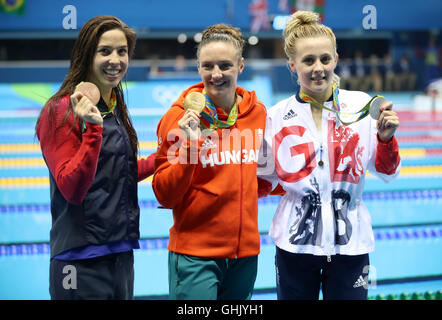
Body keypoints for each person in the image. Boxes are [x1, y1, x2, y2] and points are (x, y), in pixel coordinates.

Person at [257, 11, 401, 300]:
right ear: (292, 65)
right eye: (308, 61)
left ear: (335, 59)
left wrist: (386, 140)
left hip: (351, 246)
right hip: (295, 246)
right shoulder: (275, 118)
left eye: (325, 59)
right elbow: (261, 181)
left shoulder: (360, 107)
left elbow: (387, 172)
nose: (318, 68)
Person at [35, 15, 155, 300]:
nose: (115, 59)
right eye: (105, 51)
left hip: (120, 253)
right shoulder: (60, 110)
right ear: (87, 55)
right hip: (78, 260)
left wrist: (168, 156)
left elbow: (116, 171)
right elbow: (72, 189)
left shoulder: (112, 106)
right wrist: (93, 130)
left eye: (122, 51)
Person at [152, 24, 267, 300]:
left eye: (225, 65)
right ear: (198, 67)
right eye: (208, 66)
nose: (216, 74)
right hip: (195, 257)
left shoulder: (258, 115)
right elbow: (164, 194)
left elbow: (262, 179)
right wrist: (191, 146)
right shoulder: (177, 120)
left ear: (241, 66)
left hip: (245, 257)